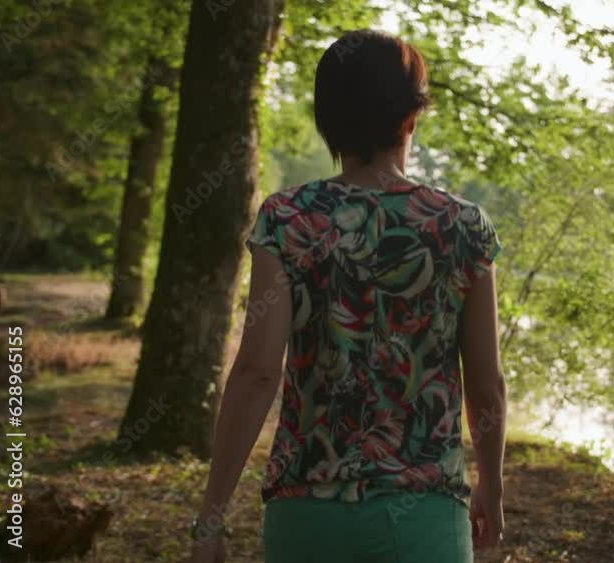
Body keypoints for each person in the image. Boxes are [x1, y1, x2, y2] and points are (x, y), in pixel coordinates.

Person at [187, 29, 507, 563]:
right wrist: (491, 488)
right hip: (424, 516)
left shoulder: (289, 218)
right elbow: (485, 383)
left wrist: (211, 518)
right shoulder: (462, 226)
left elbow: (257, 373)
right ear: (411, 116)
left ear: (327, 120)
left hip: (307, 514)